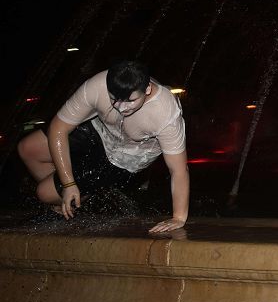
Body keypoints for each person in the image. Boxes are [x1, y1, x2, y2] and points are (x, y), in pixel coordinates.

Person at [16, 60, 189, 233]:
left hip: (125, 158)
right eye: (114, 99)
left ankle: (75, 194)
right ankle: (72, 194)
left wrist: (178, 217)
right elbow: (58, 128)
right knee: (28, 148)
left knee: (44, 193)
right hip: (99, 129)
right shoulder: (97, 85)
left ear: (148, 89)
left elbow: (179, 170)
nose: (121, 107)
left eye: (131, 100)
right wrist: (68, 183)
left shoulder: (166, 113)